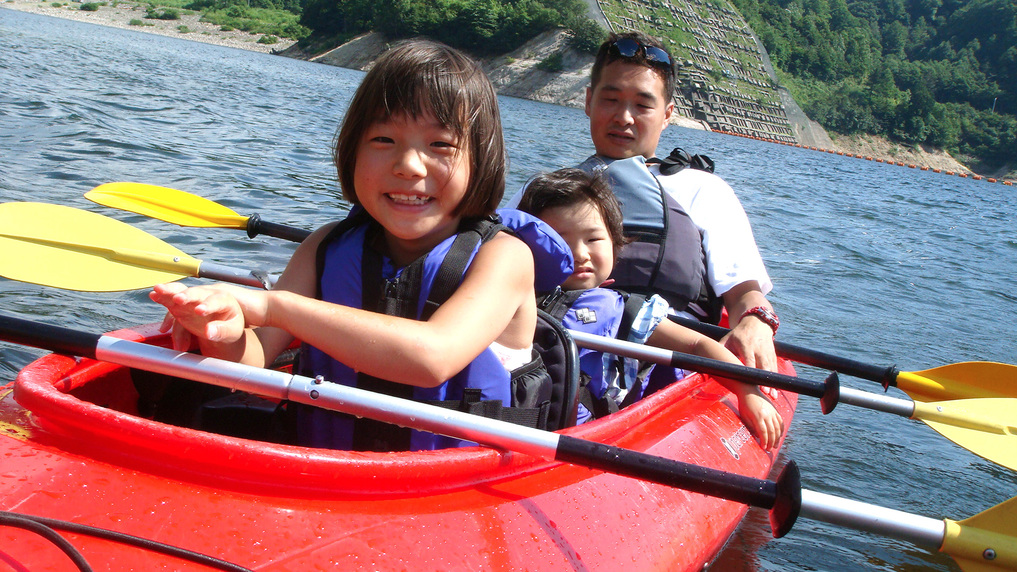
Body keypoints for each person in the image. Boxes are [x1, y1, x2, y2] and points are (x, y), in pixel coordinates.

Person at [149, 40, 565, 452]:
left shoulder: (505, 258)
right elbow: (254, 358)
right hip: (326, 473)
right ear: (352, 150)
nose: (408, 165)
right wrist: (219, 329)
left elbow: (432, 358)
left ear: (482, 160)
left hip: (452, 492)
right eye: (384, 140)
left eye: (440, 145)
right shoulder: (324, 248)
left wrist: (273, 306)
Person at [518, 168, 783, 449]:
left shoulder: (624, 310)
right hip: (520, 420)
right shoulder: (512, 291)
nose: (580, 253)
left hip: (581, 435)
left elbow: (696, 345)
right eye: (561, 240)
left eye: (593, 239)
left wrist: (748, 392)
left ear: (615, 244)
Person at [578, 30, 780, 372]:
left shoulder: (703, 191)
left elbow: (745, 293)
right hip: (566, 341)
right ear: (588, 101)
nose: (624, 117)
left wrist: (756, 321)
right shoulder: (552, 188)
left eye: (643, 105)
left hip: (666, 361)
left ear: (667, 114)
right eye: (610, 99)